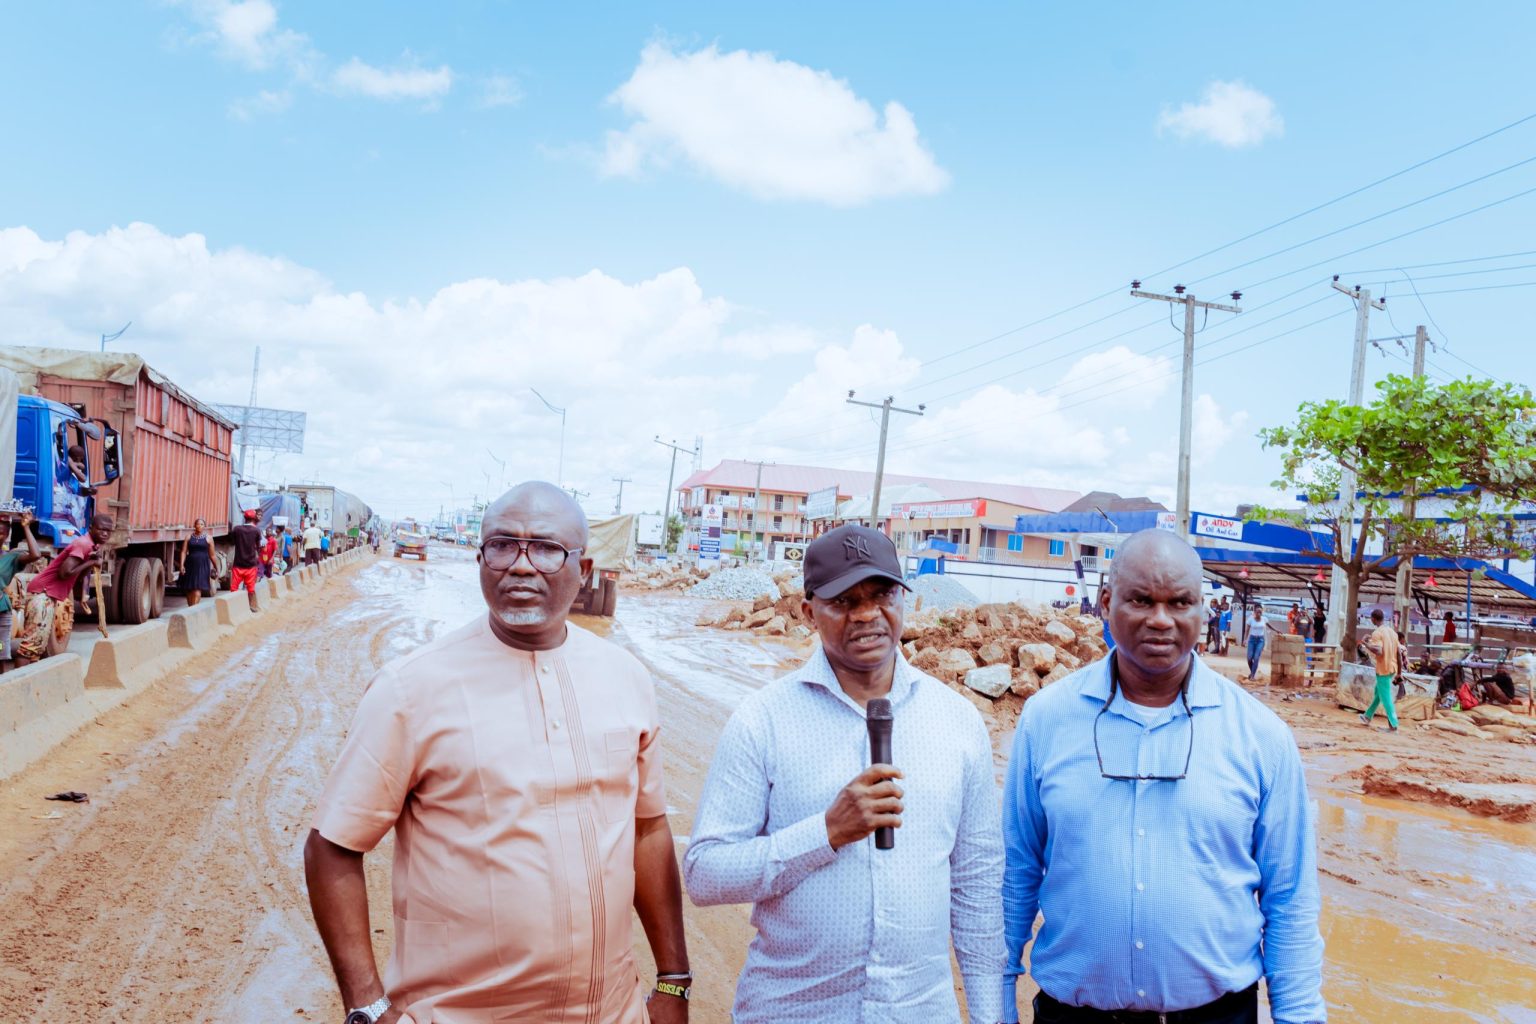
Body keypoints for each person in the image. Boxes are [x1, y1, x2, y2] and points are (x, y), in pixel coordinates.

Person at [306, 482, 689, 1024]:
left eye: (547, 549)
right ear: (480, 559)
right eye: (503, 546)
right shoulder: (411, 688)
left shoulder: (626, 678)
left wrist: (673, 980)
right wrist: (366, 1005)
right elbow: (332, 847)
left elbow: (648, 831)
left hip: (612, 1013)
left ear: (584, 569)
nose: (521, 566)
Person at [686, 523, 1005, 1023]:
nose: (866, 615)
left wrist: (988, 1016)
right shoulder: (763, 720)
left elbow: (977, 886)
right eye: (843, 601)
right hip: (792, 1013)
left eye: (881, 595)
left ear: (904, 599)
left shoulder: (957, 721)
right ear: (808, 612)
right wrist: (825, 833)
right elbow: (705, 875)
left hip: (918, 1012)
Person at [1002, 529, 1324, 1024]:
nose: (1160, 619)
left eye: (1179, 602)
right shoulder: (1046, 720)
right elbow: (1016, 872)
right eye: (1141, 600)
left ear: (1201, 609)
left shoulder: (1261, 735)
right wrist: (997, 1001)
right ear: (1106, 602)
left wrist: (1299, 1016)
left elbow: (1290, 897)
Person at [16, 514, 113, 663]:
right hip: (42, 594)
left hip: (46, 594)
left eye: (108, 531)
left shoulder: (91, 545)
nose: (105, 533)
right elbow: (64, 573)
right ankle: (19, 678)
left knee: (36, 648)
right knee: (30, 648)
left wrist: (90, 562)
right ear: (91, 528)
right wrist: (91, 563)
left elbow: (78, 577)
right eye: (101, 529)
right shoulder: (83, 544)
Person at [0, 513, 45, 673]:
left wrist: (26, 527)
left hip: (1, 613)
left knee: (0, 651)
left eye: (1, 533)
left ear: (6, 536)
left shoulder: (11, 558)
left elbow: (35, 555)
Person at [1360, 608, 1401, 732]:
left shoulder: (1377, 633)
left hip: (1383, 669)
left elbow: (1378, 651)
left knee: (1386, 698)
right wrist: (1399, 673)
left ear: (1373, 619)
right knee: (1379, 693)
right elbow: (1399, 653)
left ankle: (1393, 725)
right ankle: (1367, 716)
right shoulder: (1392, 632)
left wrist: (1365, 644)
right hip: (1392, 667)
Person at [229, 509, 263, 613]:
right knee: (251, 589)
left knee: (234, 588)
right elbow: (259, 547)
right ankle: (252, 607)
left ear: (244, 518)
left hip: (238, 563)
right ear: (254, 518)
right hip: (251, 564)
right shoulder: (257, 531)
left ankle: (234, 608)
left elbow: (232, 542)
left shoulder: (237, 529)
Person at [178, 517, 215, 606]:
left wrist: (216, 567)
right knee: (189, 588)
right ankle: (190, 608)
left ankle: (194, 609)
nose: (199, 526)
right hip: (190, 564)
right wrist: (182, 565)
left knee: (197, 588)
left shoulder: (209, 538)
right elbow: (183, 552)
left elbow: (212, 555)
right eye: (198, 524)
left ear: (204, 526)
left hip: (202, 565)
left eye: (202, 524)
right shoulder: (188, 537)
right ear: (194, 525)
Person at [1244, 603, 1273, 680]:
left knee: (1256, 657)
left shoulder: (1264, 619)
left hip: (1260, 640)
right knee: (1249, 658)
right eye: (1257, 612)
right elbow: (1247, 630)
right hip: (1252, 640)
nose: (1259, 614)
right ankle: (1252, 672)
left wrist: (1276, 630)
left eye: (1260, 612)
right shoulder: (1250, 619)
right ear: (1254, 612)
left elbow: (1270, 626)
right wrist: (1245, 639)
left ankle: (1252, 676)